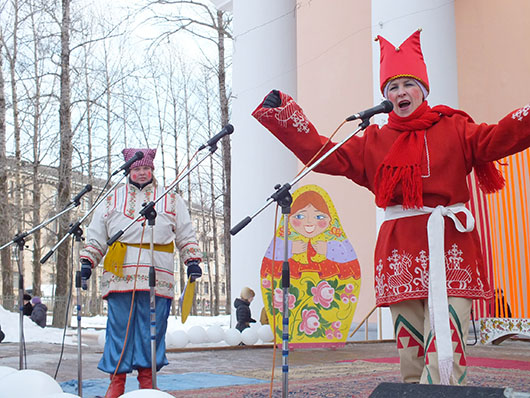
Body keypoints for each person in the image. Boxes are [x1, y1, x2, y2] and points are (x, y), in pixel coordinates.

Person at [252, 29, 530, 385]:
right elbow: (325, 155)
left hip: (451, 247)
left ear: (423, 90)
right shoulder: (374, 140)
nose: (400, 93)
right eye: (392, 88)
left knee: (446, 342)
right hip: (399, 251)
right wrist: (284, 116)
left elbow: (498, 137)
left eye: (408, 85)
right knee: (411, 354)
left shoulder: (456, 127)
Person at [79, 148, 203, 398]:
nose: (141, 173)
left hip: (158, 273)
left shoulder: (170, 197)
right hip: (120, 273)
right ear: (128, 171)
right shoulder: (112, 197)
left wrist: (192, 260)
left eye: (145, 168)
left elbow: (186, 233)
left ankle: (148, 382)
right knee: (119, 329)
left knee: (152, 329)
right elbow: (96, 234)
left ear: (152, 170)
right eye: (136, 169)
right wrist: (87, 261)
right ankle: (117, 382)